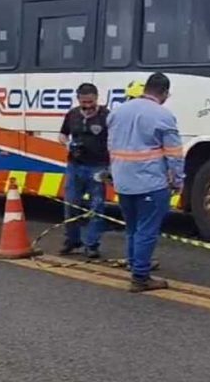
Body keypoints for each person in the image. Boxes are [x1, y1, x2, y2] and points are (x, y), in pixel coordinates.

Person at [107, 72, 184, 292]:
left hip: (123, 182)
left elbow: (111, 147)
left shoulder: (117, 112)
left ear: (145, 89)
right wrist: (178, 181)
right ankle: (140, 277)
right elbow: (174, 154)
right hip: (150, 183)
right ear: (165, 93)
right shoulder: (163, 115)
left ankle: (134, 264)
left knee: (132, 228)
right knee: (146, 230)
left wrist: (115, 174)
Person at [58, 83, 110, 258]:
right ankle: (72, 240)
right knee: (71, 204)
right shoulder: (72, 115)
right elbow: (62, 134)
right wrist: (67, 144)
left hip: (98, 166)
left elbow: (114, 140)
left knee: (97, 207)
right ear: (78, 99)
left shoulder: (106, 116)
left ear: (96, 98)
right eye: (84, 102)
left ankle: (92, 245)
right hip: (75, 166)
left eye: (90, 102)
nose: (87, 106)